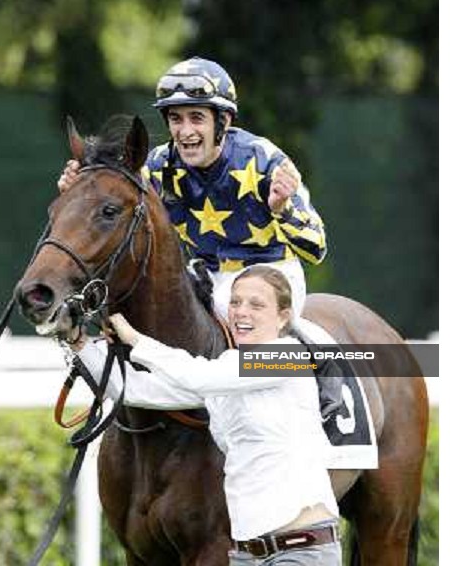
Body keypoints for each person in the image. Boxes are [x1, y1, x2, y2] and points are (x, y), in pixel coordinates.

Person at [58, 56, 342, 418]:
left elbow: (316, 248)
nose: (185, 130)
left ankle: (322, 366)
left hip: (271, 273)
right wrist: (77, 190)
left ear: (222, 122)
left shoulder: (263, 158)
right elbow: (113, 199)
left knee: (234, 305)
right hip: (202, 272)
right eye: (176, 119)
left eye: (196, 118)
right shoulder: (159, 164)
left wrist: (281, 209)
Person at [72, 266, 341, 565]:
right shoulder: (228, 369)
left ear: (283, 317)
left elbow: (198, 376)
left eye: (257, 305)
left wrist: (136, 339)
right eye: (236, 302)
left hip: (300, 553)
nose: (241, 312)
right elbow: (134, 391)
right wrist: (77, 342)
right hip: (247, 555)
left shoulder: (288, 356)